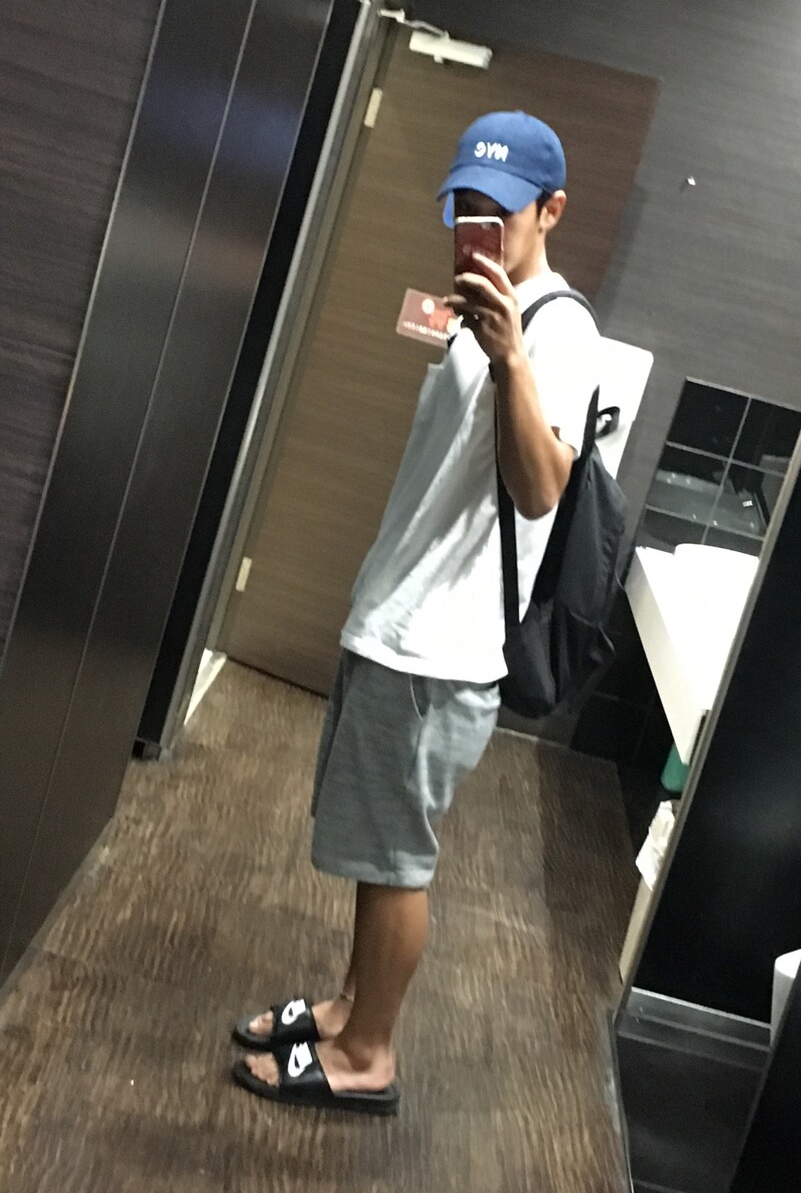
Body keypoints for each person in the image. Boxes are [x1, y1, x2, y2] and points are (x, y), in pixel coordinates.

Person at [231, 111, 600, 1113]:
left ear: (551, 211)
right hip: (398, 622)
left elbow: (541, 488)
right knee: (372, 850)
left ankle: (368, 1056)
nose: (476, 229)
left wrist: (513, 357)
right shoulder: (480, 311)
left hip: (438, 652)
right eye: (464, 209)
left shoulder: (559, 331)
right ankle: (349, 1008)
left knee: (396, 863)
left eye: (499, 213)